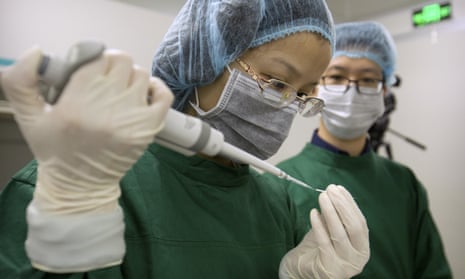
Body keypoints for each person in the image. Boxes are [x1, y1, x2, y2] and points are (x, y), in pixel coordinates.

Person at [0, 0, 370, 278]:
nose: (287, 107)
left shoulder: (278, 203)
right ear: (205, 59)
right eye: (276, 83)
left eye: (304, 94)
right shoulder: (77, 184)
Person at [269, 21, 452, 278]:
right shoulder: (279, 184)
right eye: (336, 76)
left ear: (385, 90)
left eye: (367, 79)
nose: (352, 89)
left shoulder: (404, 183)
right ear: (315, 86)